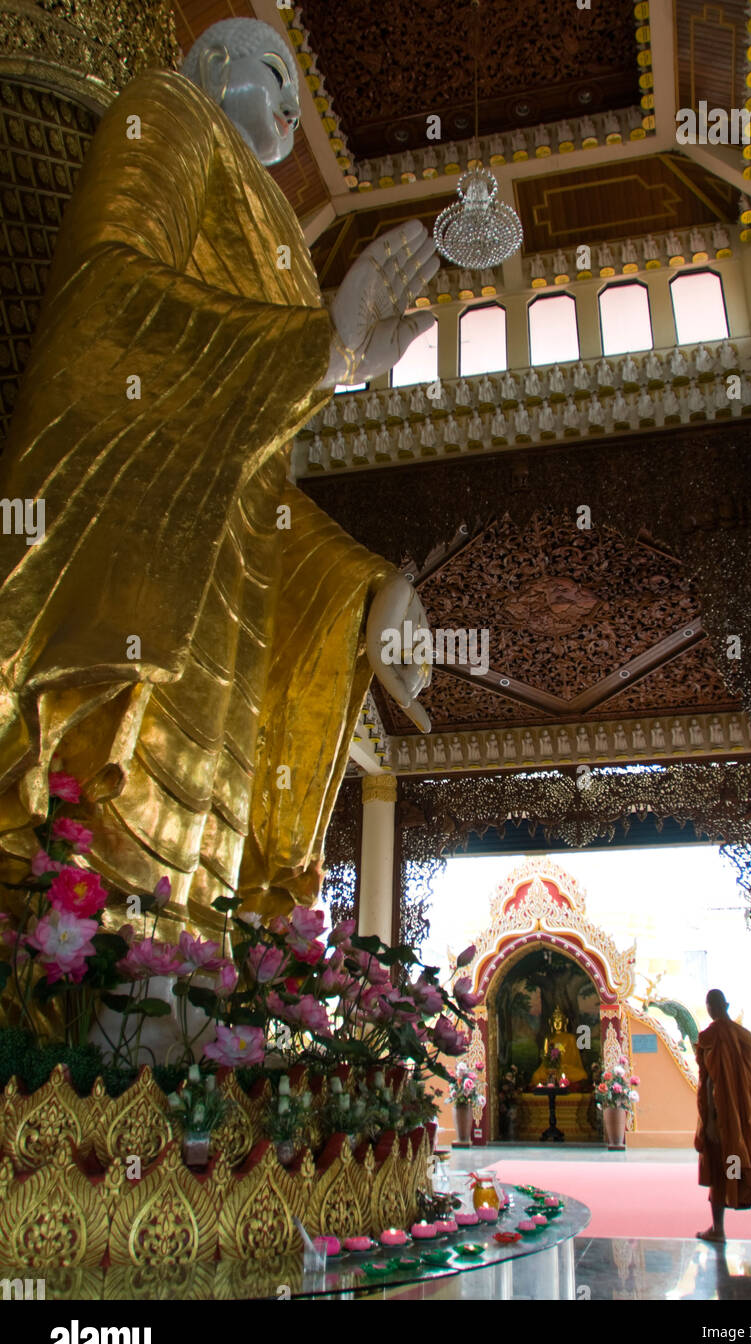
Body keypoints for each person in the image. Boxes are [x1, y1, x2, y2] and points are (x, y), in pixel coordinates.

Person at [0, 18, 437, 934]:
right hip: (135, 569)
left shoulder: (276, 222)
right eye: (272, 70)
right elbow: (106, 307)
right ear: (207, 65)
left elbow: (256, 483)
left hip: (222, 614)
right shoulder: (168, 110)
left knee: (183, 919)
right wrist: (322, 343)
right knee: (90, 879)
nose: (288, 103)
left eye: (294, 88)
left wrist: (366, 590)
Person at [694, 989, 751, 1249]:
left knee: (726, 1164)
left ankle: (721, 1228)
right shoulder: (745, 1037)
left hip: (723, 1116)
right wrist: (743, 1106)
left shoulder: (710, 1038)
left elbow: (708, 1081)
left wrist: (710, 1118)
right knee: (749, 1163)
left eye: (711, 1006)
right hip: (744, 1115)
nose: (712, 1010)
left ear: (712, 1008)